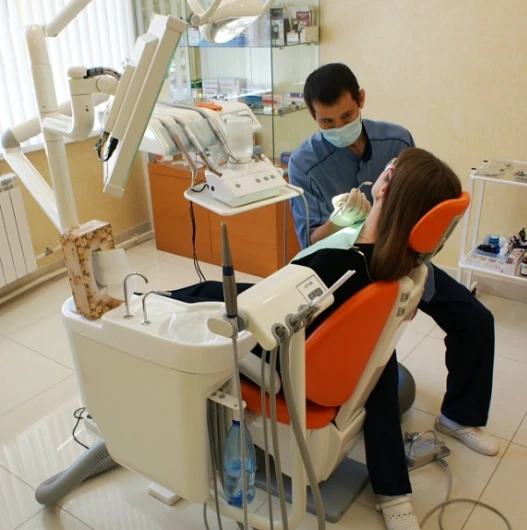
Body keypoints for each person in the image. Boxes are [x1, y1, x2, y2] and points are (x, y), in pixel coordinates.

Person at [167, 148, 462, 530]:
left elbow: (276, 306)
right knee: (383, 359)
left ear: (385, 185)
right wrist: (340, 224)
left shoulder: (339, 265)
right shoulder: (401, 266)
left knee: (192, 299)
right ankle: (394, 492)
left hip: (278, 351)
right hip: (328, 339)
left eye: (387, 169)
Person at [288, 63, 497, 457]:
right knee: (378, 346)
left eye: (347, 116)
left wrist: (413, 285)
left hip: (406, 259)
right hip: (352, 272)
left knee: (475, 320)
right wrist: (339, 221)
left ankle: (459, 416)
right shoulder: (304, 163)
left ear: (361, 100)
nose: (339, 127)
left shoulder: (397, 141)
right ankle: (379, 450)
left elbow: (422, 216)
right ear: (313, 117)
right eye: (327, 121)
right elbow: (310, 240)